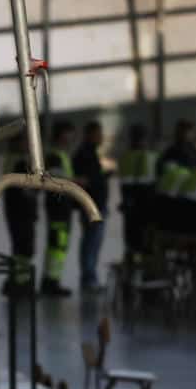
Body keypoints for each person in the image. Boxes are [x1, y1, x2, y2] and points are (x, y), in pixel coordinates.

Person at [40, 121, 78, 297]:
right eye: (69, 133)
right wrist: (77, 182)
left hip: (62, 207)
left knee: (58, 245)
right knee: (57, 244)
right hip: (58, 208)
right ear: (61, 135)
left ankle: (52, 280)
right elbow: (57, 180)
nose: (71, 137)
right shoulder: (55, 156)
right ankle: (51, 282)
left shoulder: (62, 155)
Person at [76, 121, 112, 294]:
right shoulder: (85, 154)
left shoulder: (91, 154)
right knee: (91, 243)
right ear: (89, 134)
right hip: (92, 207)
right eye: (98, 134)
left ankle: (90, 277)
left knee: (92, 243)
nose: (101, 137)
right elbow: (86, 179)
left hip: (96, 205)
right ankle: (89, 279)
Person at [2, 131, 40, 296]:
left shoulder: (12, 160)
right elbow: (27, 189)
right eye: (25, 142)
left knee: (20, 248)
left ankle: (17, 281)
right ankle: (20, 284)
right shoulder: (19, 162)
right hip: (21, 212)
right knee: (24, 248)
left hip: (16, 212)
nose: (28, 145)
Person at [117, 124, 158, 261]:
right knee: (146, 239)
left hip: (130, 206)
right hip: (147, 205)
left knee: (131, 239)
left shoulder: (124, 157)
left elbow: (124, 183)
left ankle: (132, 265)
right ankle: (145, 266)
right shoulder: (151, 156)